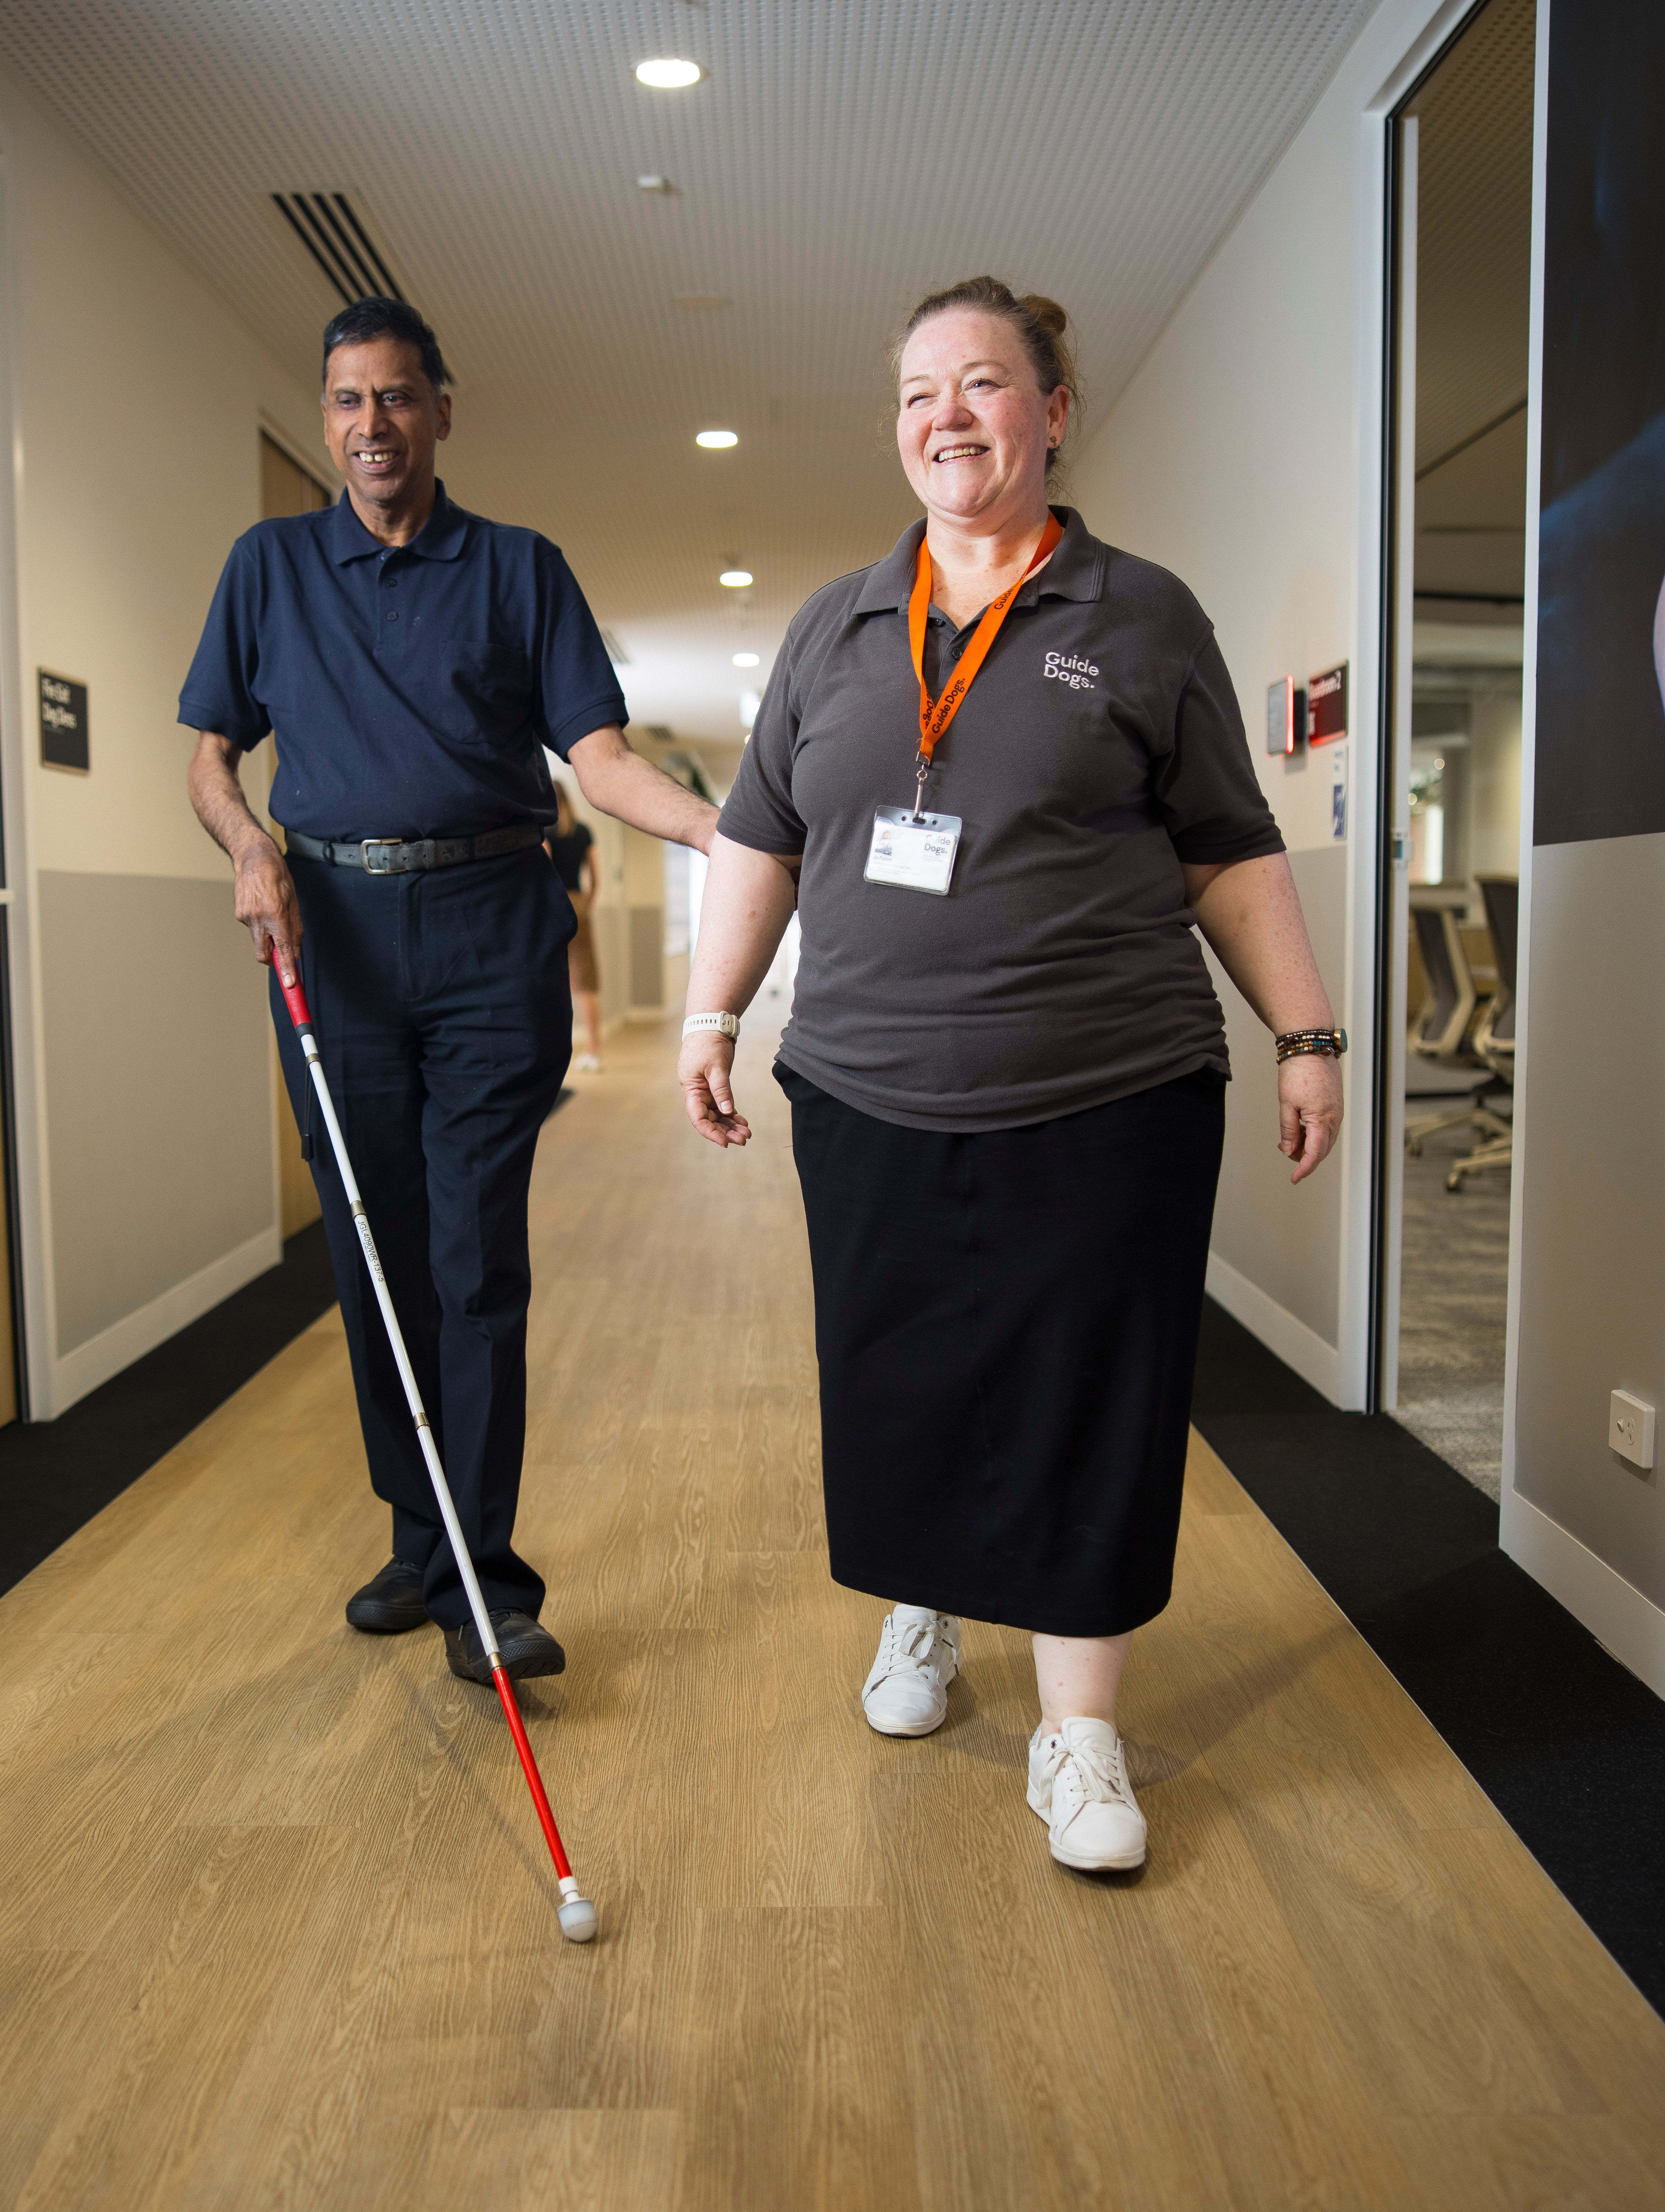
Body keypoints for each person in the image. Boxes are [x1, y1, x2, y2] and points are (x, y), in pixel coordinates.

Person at [678, 277, 1343, 1872]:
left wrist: (1305, 1031)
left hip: (1108, 1086)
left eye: (983, 385)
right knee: (900, 1368)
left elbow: (1228, 848)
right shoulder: (836, 624)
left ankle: (1079, 1734)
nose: (947, 417)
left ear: (1053, 411)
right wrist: (709, 1018)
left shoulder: (1139, 615)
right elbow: (759, 841)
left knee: (1089, 1395)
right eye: (918, 392)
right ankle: (924, 1611)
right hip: (865, 1080)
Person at [183, 296, 716, 1686]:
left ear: (440, 409)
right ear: (326, 418)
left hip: (493, 929)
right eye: (350, 401)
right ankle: (420, 1538)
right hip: (333, 934)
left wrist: (729, 833)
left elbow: (596, 761)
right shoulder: (269, 566)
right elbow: (207, 756)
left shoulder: (520, 569)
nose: (374, 424)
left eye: (398, 398)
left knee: (476, 1256)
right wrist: (249, 847)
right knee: (374, 1255)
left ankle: (486, 1581)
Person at [546, 784, 604, 1069]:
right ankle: (594, 1053)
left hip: (552, 907)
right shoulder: (583, 831)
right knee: (586, 982)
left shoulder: (543, 832)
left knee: (549, 981)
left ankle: (553, 1056)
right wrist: (586, 903)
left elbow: (542, 873)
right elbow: (595, 874)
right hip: (579, 903)